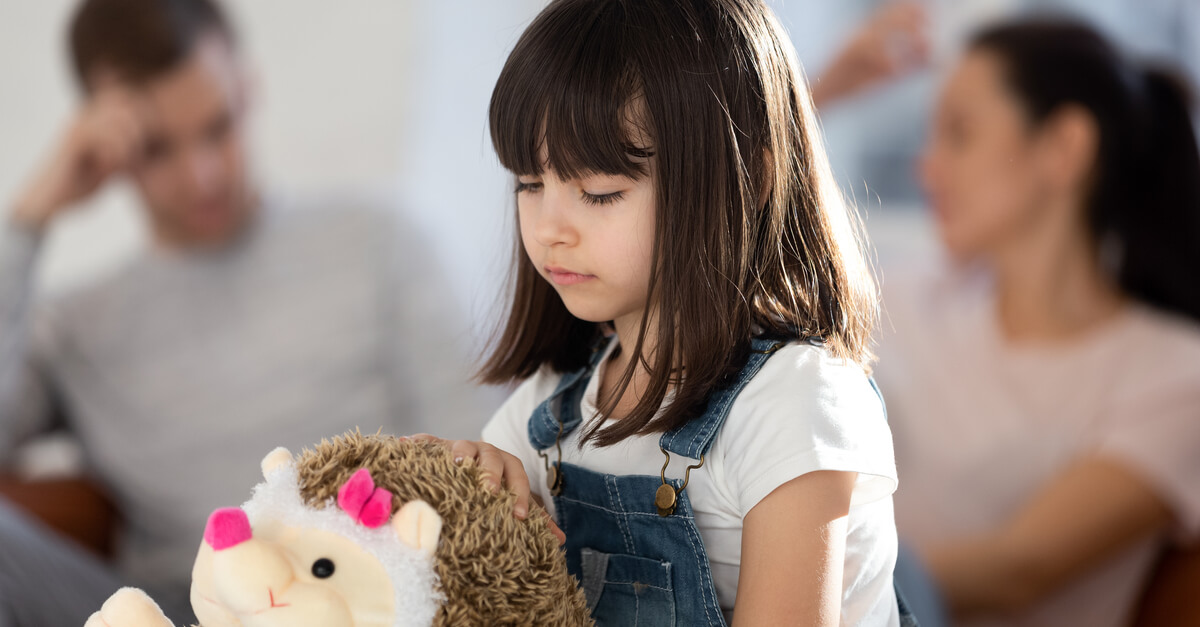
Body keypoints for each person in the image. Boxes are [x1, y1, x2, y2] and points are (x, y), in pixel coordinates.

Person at [0, 0, 492, 624]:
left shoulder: (376, 242)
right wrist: (27, 221)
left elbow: (471, 452)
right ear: (105, 145)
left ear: (247, 89)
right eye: (157, 149)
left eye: (217, 127)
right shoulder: (72, 325)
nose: (202, 175)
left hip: (353, 593)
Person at [439, 0, 909, 624]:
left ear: (748, 179)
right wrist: (438, 493)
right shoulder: (548, 407)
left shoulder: (797, 402)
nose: (550, 228)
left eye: (599, 191)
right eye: (529, 184)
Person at [875, 18, 1200, 627]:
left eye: (960, 134)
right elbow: (729, 260)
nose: (928, 169)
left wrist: (802, 573)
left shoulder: (1177, 374)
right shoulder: (905, 296)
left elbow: (1015, 569)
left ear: (1065, 147)